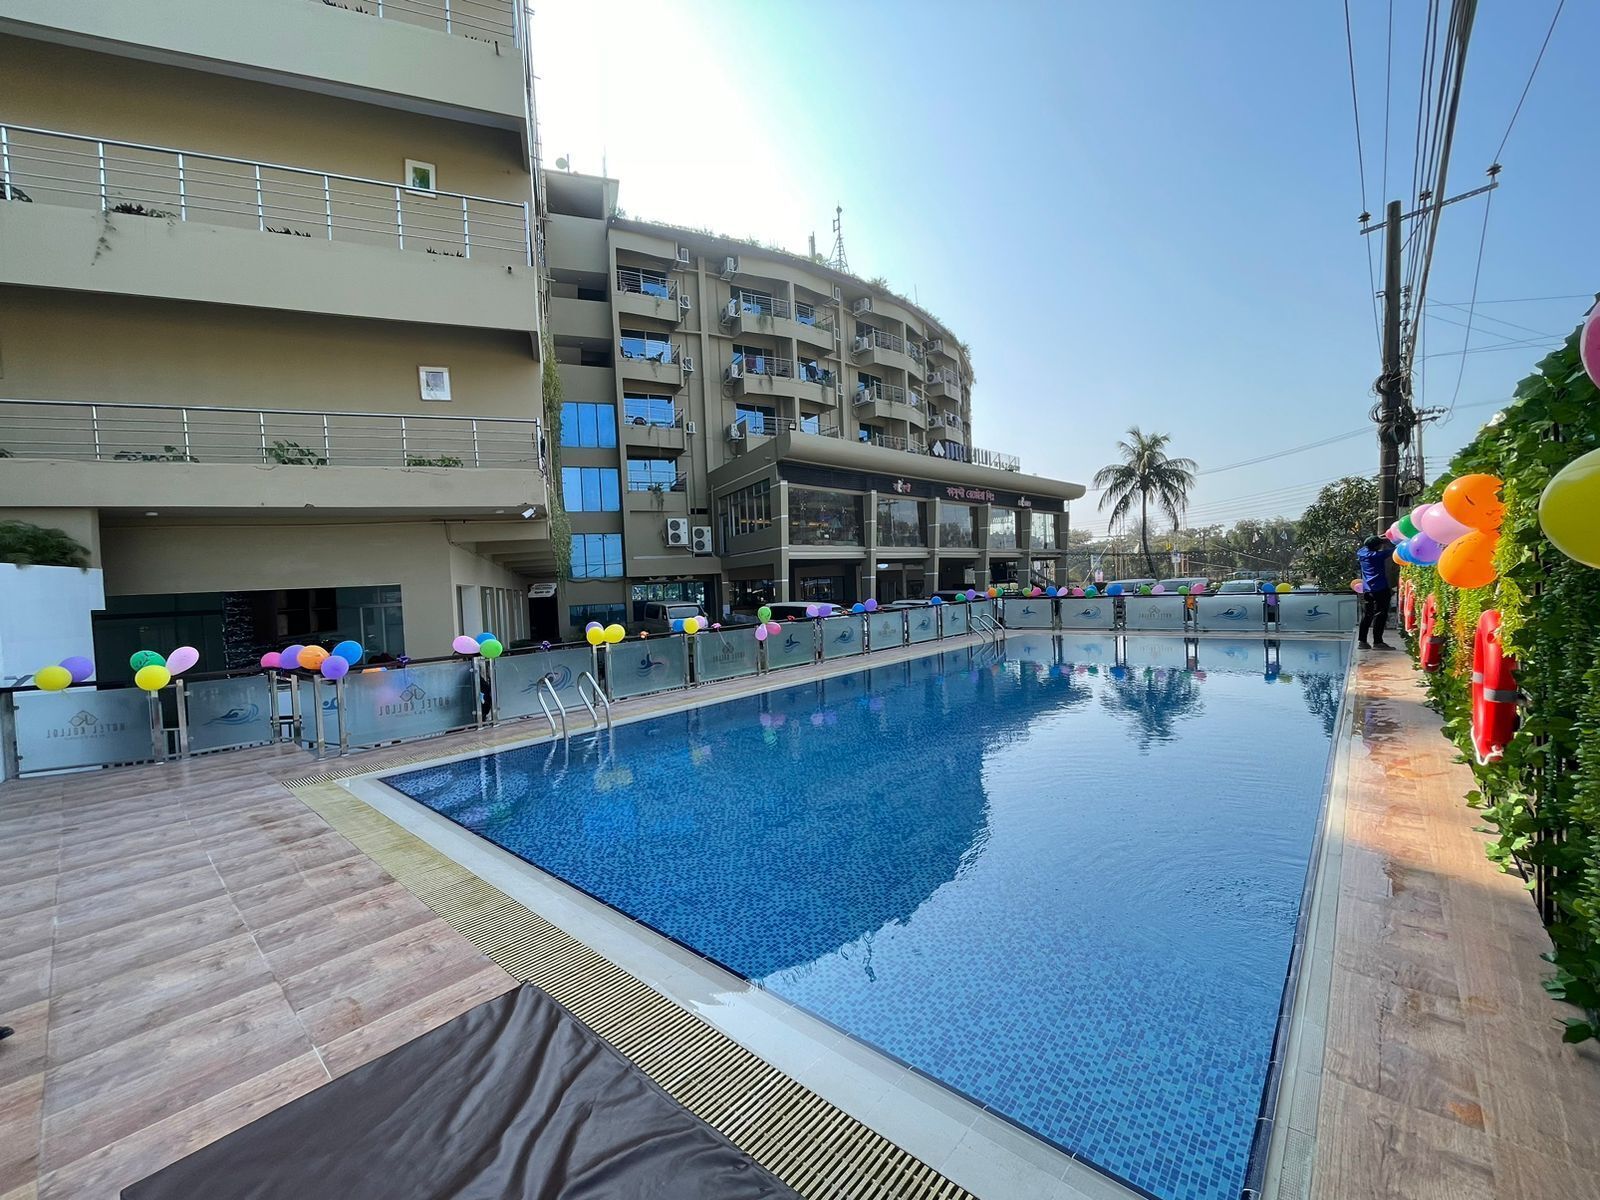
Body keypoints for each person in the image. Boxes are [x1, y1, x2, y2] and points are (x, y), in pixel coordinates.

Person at [1357, 535, 1395, 649]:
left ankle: (1362, 641)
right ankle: (1378, 642)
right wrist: (1389, 541)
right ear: (1377, 546)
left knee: (1367, 615)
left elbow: (1366, 546)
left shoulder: (1361, 553)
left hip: (1367, 590)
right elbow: (1394, 550)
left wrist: (1379, 539)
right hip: (1380, 589)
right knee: (1381, 614)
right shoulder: (1378, 556)